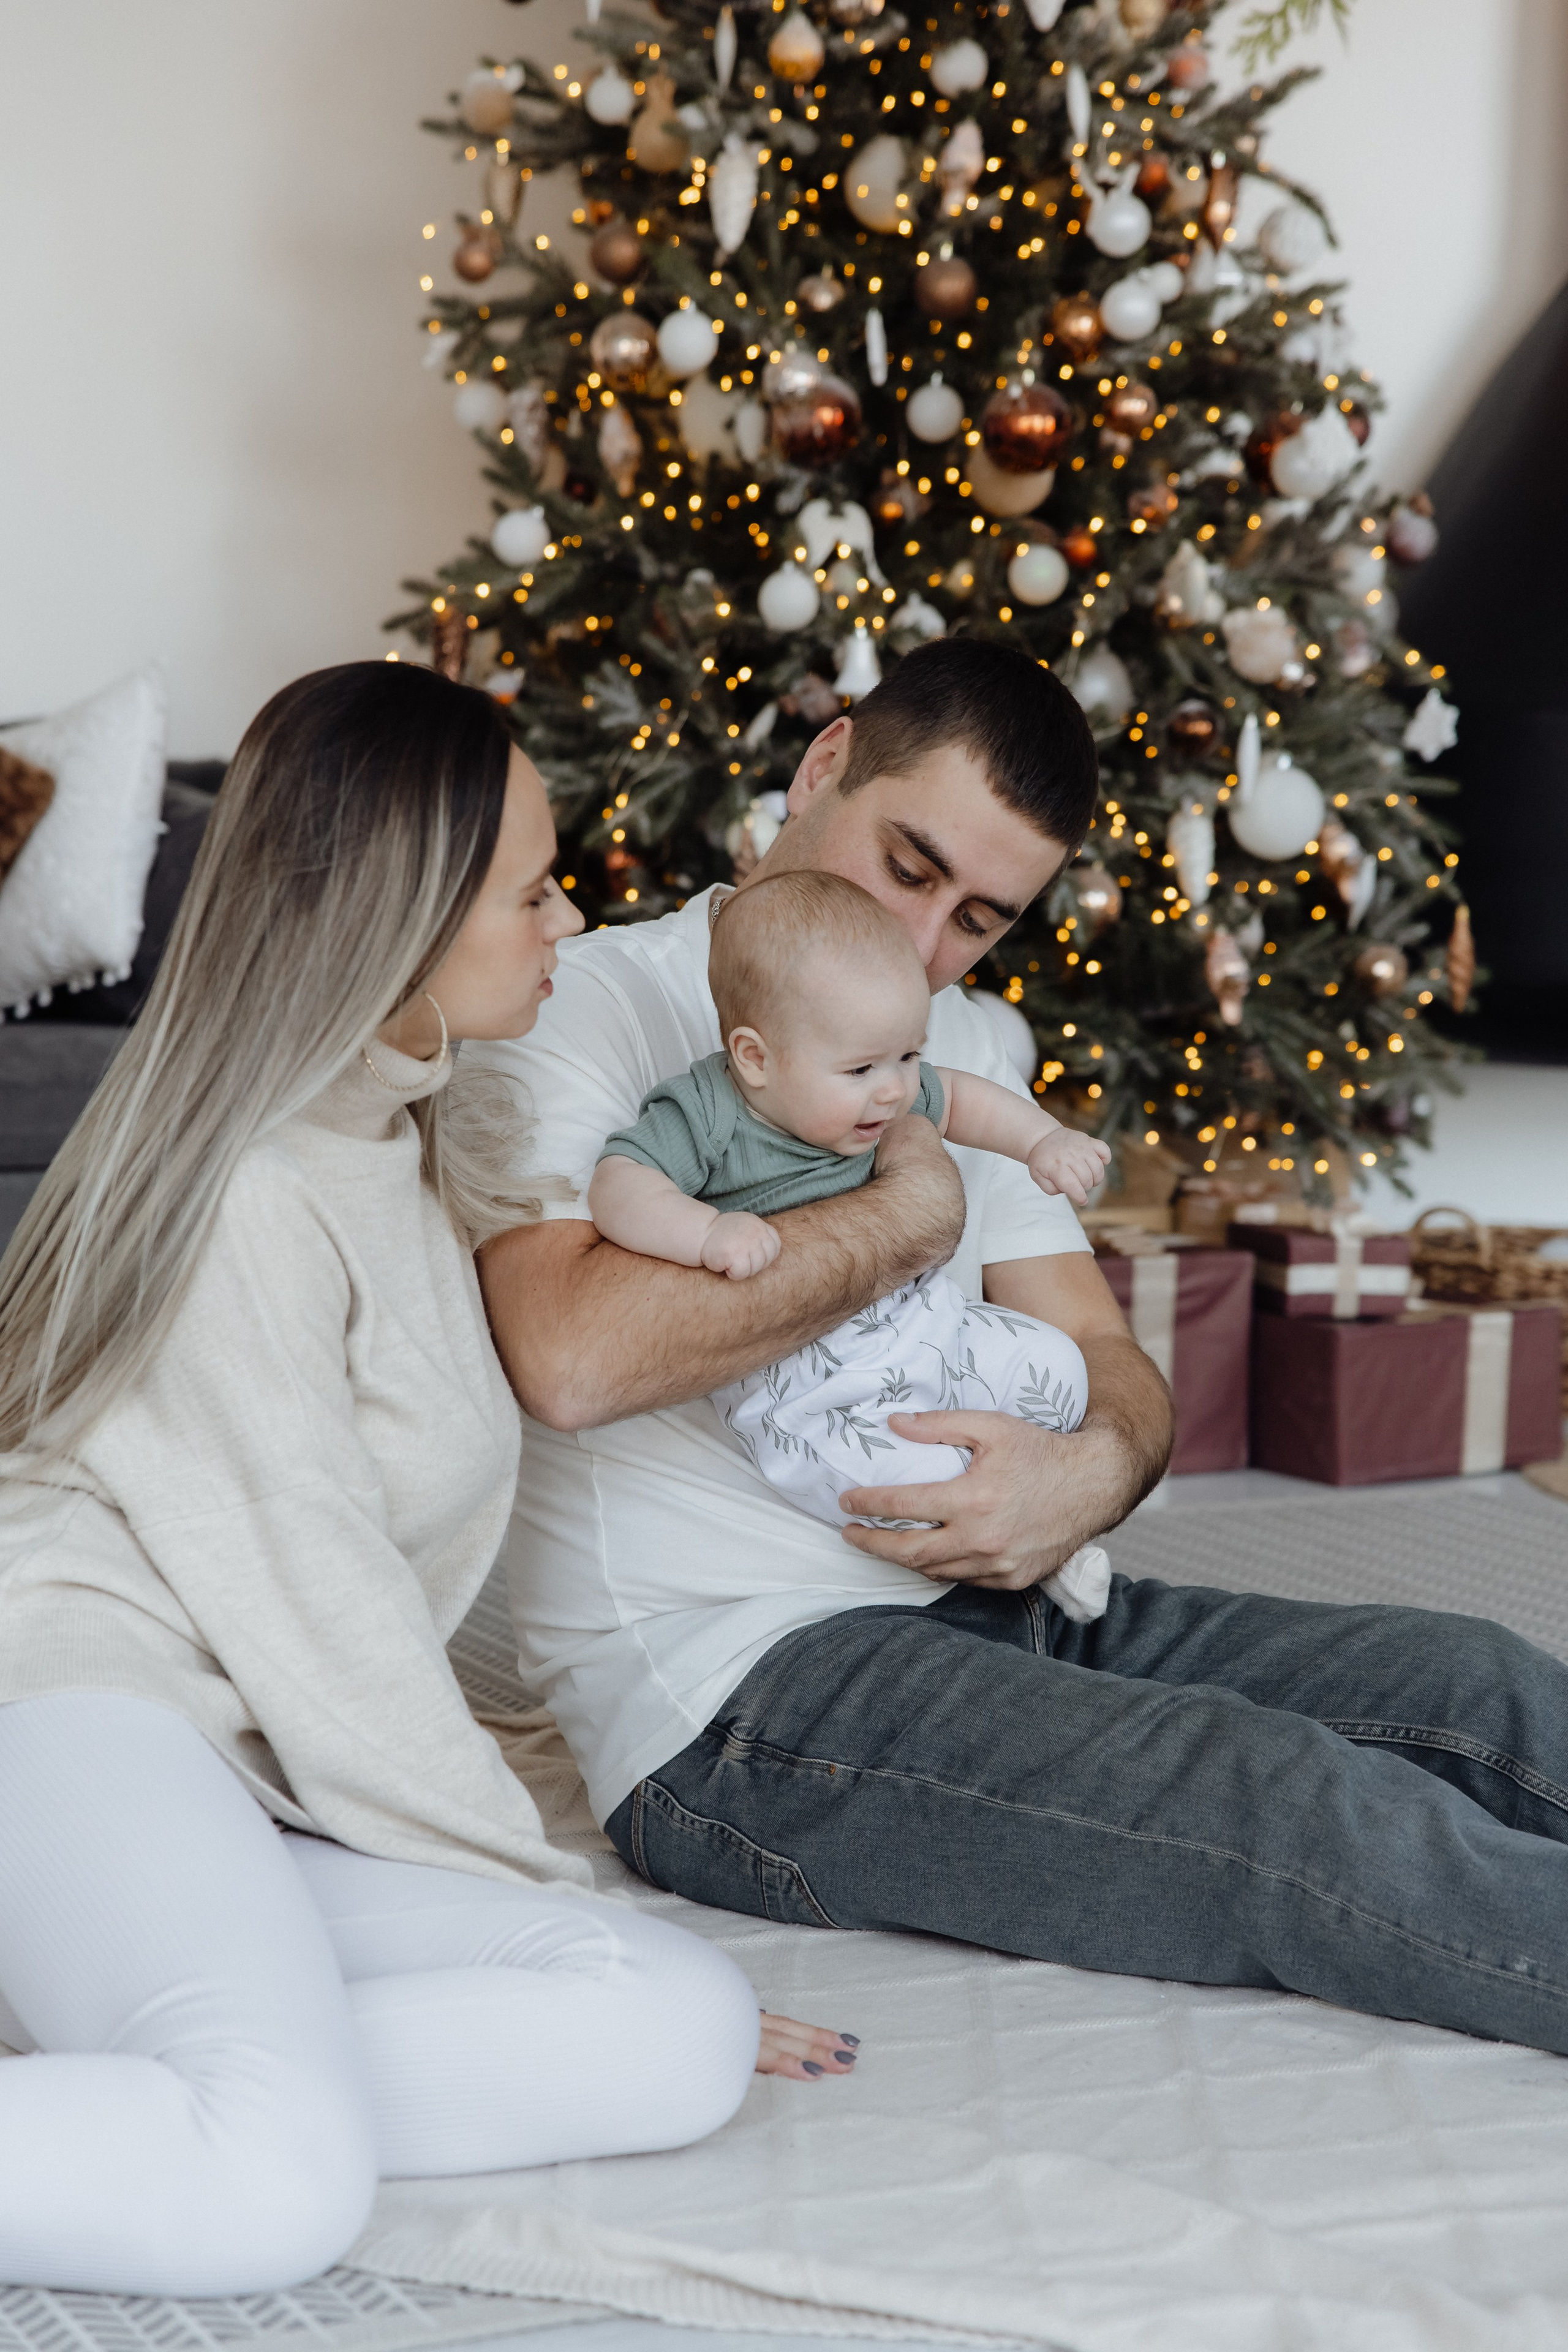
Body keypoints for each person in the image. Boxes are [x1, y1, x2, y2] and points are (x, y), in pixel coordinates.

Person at [481, 633, 1568, 2061]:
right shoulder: (586, 1006)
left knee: (1472, 1682)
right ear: (823, 768)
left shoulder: (957, 1053)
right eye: (906, 865)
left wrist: (1087, 1474)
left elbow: (1109, 1366)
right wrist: (907, 1210)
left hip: (1016, 1594)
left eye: (979, 920)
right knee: (1282, 1796)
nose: (924, 950)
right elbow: (568, 1354)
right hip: (739, 1703)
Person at [0, 662, 853, 2301]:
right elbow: (318, 1600)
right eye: (534, 890)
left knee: (680, 2024)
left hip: (237, 1769)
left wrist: (574, 1935)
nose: (566, 921)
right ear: (399, 921)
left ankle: (150, 2056)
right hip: (71, 1711)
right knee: (266, 2187)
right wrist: (518, 1883)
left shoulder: (397, 1137)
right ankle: (213, 2092)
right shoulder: (249, 1192)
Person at [587, 868, 1114, 1622]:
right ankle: (1039, 1561)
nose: (896, 1090)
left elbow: (960, 1098)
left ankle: (1038, 1522)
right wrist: (704, 1231)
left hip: (924, 1320)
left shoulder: (888, 1086)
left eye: (907, 1055)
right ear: (755, 1058)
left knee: (1056, 1369)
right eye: (863, 1068)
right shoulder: (706, 1110)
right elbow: (619, 1182)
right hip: (804, 1381)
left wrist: (1042, 1140)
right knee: (901, 1482)